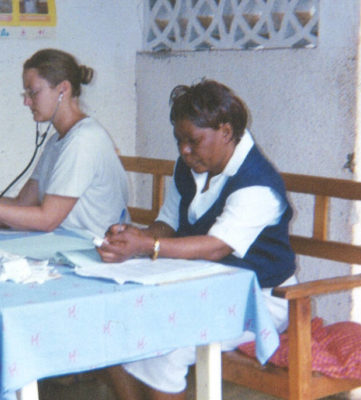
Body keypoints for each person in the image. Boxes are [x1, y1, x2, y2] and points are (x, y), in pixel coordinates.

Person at [97, 79, 296, 400]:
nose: (184, 150)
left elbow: (217, 246)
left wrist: (147, 246)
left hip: (256, 300)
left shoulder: (258, 185)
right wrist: (137, 236)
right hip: (203, 288)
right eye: (179, 140)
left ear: (227, 132)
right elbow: (168, 223)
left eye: (193, 141)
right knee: (114, 325)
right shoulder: (190, 168)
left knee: (163, 351)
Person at [0, 48, 129, 239]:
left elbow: (47, 220)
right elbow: (23, 204)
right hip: (67, 243)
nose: (27, 102)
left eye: (33, 92)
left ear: (63, 89)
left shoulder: (84, 141)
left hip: (96, 251)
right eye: (26, 94)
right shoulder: (57, 141)